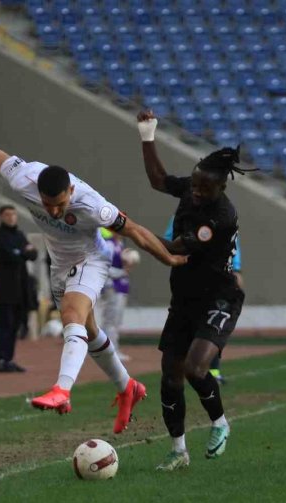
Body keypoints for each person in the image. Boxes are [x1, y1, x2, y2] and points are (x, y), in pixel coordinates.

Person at [0, 143, 186, 433]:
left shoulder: (93, 205)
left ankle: (62, 389)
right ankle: (128, 388)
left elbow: (136, 231)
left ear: (71, 193)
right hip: (59, 264)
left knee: (71, 317)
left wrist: (170, 259)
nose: (53, 210)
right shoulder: (24, 178)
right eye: (47, 204)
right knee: (88, 331)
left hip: (91, 259)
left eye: (60, 205)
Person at [136, 109, 252, 471]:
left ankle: (220, 423)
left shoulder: (220, 217)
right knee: (169, 373)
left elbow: (174, 250)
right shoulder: (192, 188)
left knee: (195, 369)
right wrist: (147, 135)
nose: (196, 192)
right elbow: (158, 180)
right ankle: (178, 451)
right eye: (195, 184)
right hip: (184, 298)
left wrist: (129, 229)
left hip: (219, 296)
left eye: (205, 188)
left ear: (221, 188)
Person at [165, 216, 243, 384]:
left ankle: (212, 371)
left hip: (217, 283)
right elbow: (169, 242)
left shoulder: (224, 214)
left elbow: (233, 245)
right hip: (189, 282)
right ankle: (187, 370)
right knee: (190, 326)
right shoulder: (181, 215)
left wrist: (236, 269)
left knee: (213, 326)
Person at [0, 205, 36, 372]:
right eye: (7, 215)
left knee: (15, 326)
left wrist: (22, 252)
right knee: (4, 325)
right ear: (1, 217)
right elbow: (9, 256)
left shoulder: (20, 235)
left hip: (20, 289)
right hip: (4, 289)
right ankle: (0, 360)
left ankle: (8, 359)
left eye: (13, 215)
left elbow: (34, 254)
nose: (11, 218)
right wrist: (23, 252)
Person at [98, 229, 133, 362]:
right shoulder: (109, 244)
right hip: (112, 286)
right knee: (110, 320)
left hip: (121, 286)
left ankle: (112, 349)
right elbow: (105, 267)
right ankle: (110, 351)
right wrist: (122, 272)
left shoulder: (120, 244)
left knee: (116, 320)